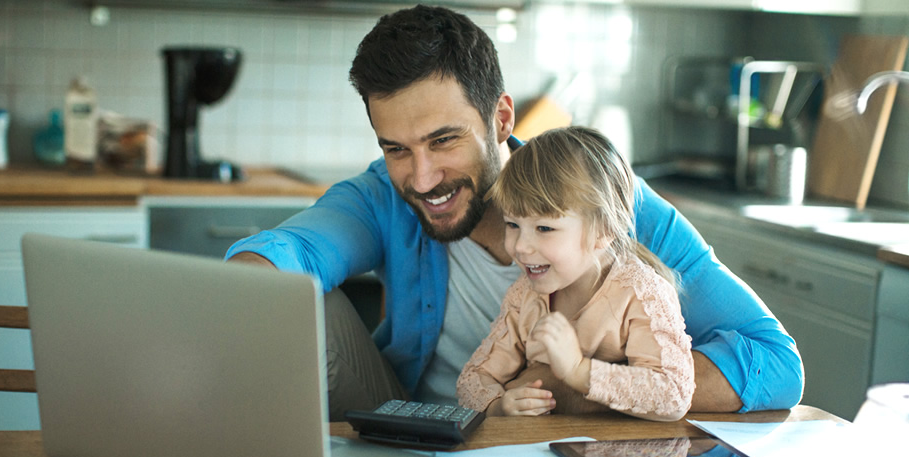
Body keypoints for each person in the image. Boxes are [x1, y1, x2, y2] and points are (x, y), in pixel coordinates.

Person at [225, 5, 803, 421]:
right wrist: (236, 290)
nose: (421, 179)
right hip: (414, 426)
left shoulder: (606, 200)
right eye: (396, 148)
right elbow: (297, 248)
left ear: (501, 119)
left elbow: (775, 362)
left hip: (562, 442)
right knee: (301, 297)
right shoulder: (381, 195)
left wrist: (572, 387)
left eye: (444, 140)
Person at [456, 126, 694, 421]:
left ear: (603, 231)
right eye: (512, 224)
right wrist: (498, 406)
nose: (520, 246)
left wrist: (578, 371)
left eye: (544, 228)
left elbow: (674, 395)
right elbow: (472, 380)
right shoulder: (524, 296)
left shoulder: (642, 293)